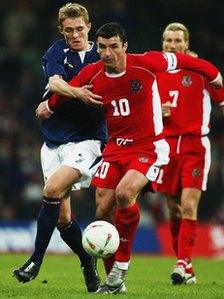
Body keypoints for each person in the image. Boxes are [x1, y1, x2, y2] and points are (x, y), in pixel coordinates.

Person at [36, 22, 222, 294]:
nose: (107, 53)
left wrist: (215, 75)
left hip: (149, 146)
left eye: (113, 47)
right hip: (115, 148)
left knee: (125, 193)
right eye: (102, 47)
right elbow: (70, 90)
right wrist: (49, 106)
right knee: (102, 210)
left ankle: (123, 262)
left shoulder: (146, 63)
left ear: (124, 46)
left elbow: (184, 60)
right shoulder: (93, 72)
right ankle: (114, 279)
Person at [13, 3, 107, 292]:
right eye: (69, 31)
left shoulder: (101, 54)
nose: (75, 35)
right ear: (61, 30)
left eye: (80, 29)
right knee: (63, 217)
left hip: (87, 141)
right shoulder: (56, 52)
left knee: (51, 190)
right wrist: (76, 92)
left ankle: (35, 260)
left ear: (89, 26)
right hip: (53, 141)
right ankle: (86, 262)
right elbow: (55, 83)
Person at [156, 22, 224, 285]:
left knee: (187, 204)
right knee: (173, 209)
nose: (171, 45)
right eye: (167, 40)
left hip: (195, 146)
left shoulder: (201, 72)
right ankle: (188, 267)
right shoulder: (156, 72)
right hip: (166, 147)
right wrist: (156, 114)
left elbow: (221, 99)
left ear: (186, 44)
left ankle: (182, 262)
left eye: (177, 41)